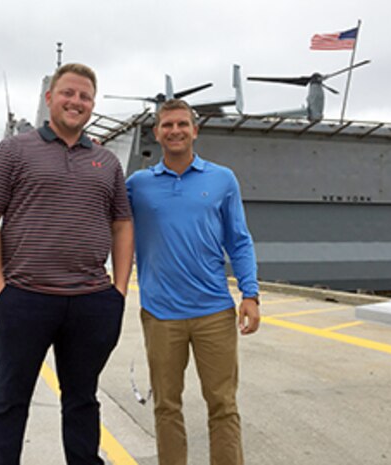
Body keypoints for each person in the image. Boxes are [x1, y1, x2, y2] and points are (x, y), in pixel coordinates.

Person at [0, 63, 134, 465]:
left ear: (92, 104)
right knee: (9, 399)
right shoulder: (14, 150)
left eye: (85, 96)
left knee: (82, 400)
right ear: (49, 99)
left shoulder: (107, 162)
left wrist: (120, 291)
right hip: (26, 298)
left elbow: (122, 223)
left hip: (93, 301)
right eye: (68, 93)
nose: (76, 102)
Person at [126, 99, 260, 465]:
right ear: (156, 133)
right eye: (167, 125)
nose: (175, 131)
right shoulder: (137, 185)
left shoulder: (222, 179)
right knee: (166, 406)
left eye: (182, 124)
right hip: (160, 313)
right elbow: (112, 229)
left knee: (223, 404)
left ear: (195, 130)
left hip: (214, 312)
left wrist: (251, 293)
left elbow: (239, 239)